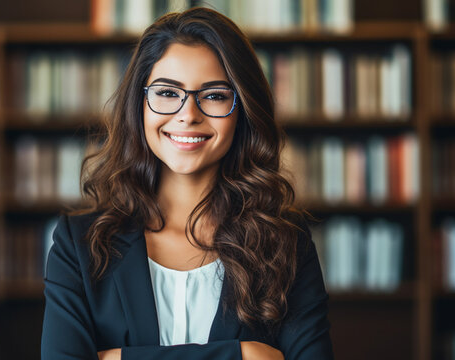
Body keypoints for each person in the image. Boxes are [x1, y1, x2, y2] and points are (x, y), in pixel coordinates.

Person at [41, 7, 333, 360]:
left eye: (214, 96)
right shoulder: (80, 243)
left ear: (242, 112)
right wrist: (244, 355)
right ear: (140, 105)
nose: (188, 114)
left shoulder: (285, 242)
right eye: (167, 92)